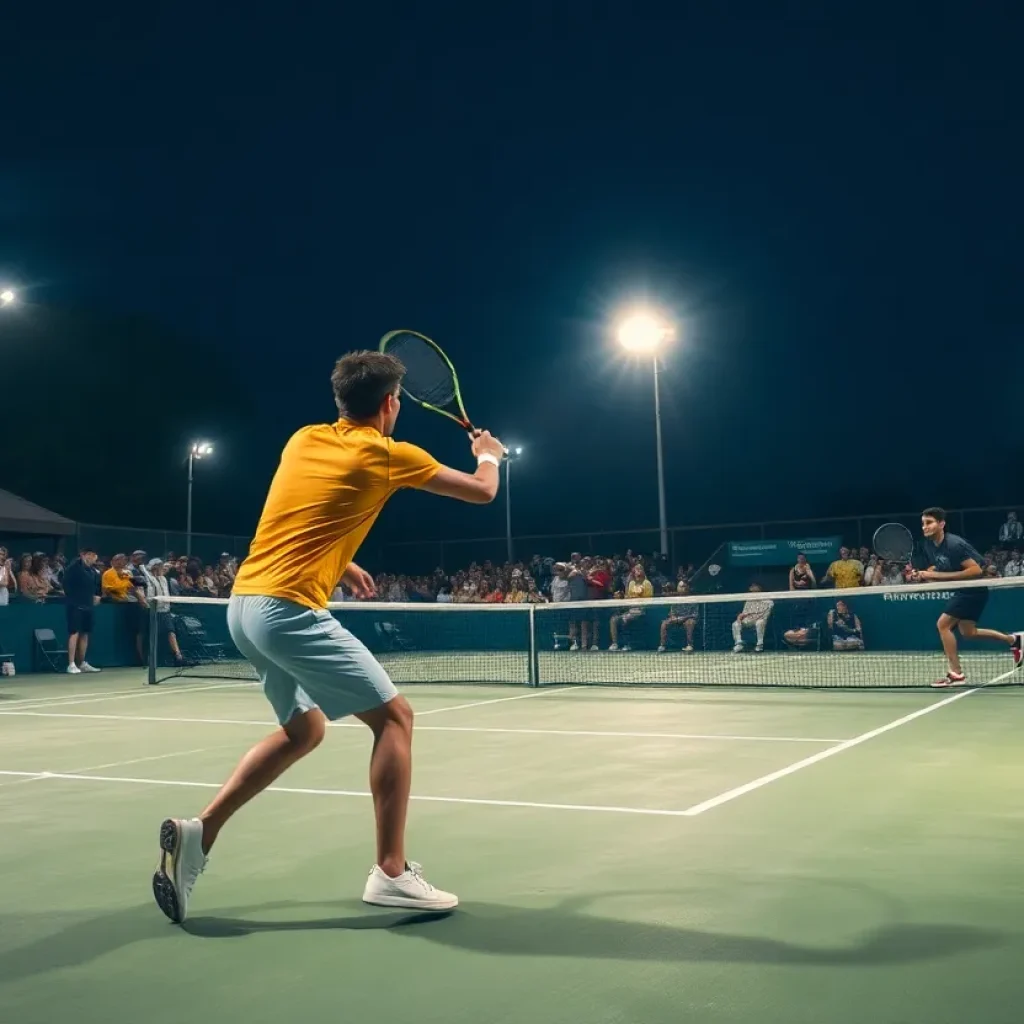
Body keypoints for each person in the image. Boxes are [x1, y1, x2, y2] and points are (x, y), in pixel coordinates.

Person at [151, 349, 505, 924]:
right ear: (392, 403)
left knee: (304, 730)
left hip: (243, 608)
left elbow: (305, 507)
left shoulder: (303, 439)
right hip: (288, 609)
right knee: (396, 719)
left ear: (341, 401)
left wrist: (342, 561)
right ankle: (391, 872)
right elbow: (481, 492)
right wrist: (490, 456)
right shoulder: (389, 455)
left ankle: (201, 833)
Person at [912, 507, 1023, 687]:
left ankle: (956, 674)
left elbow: (976, 570)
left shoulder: (954, 544)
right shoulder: (930, 545)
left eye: (929, 523)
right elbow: (940, 566)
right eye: (923, 524)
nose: (925, 527)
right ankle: (1014, 640)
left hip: (973, 589)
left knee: (943, 625)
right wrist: (924, 574)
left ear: (942, 524)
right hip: (964, 591)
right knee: (968, 633)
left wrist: (938, 576)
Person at [63, 547, 101, 674]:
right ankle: (71, 664)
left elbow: (96, 587)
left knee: (85, 633)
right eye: (89, 554)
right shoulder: (73, 568)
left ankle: (82, 663)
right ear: (82, 555)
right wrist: (75, 598)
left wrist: (97, 595)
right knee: (74, 632)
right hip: (75, 605)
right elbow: (66, 585)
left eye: (94, 555)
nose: (92, 557)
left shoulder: (93, 571)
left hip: (88, 606)